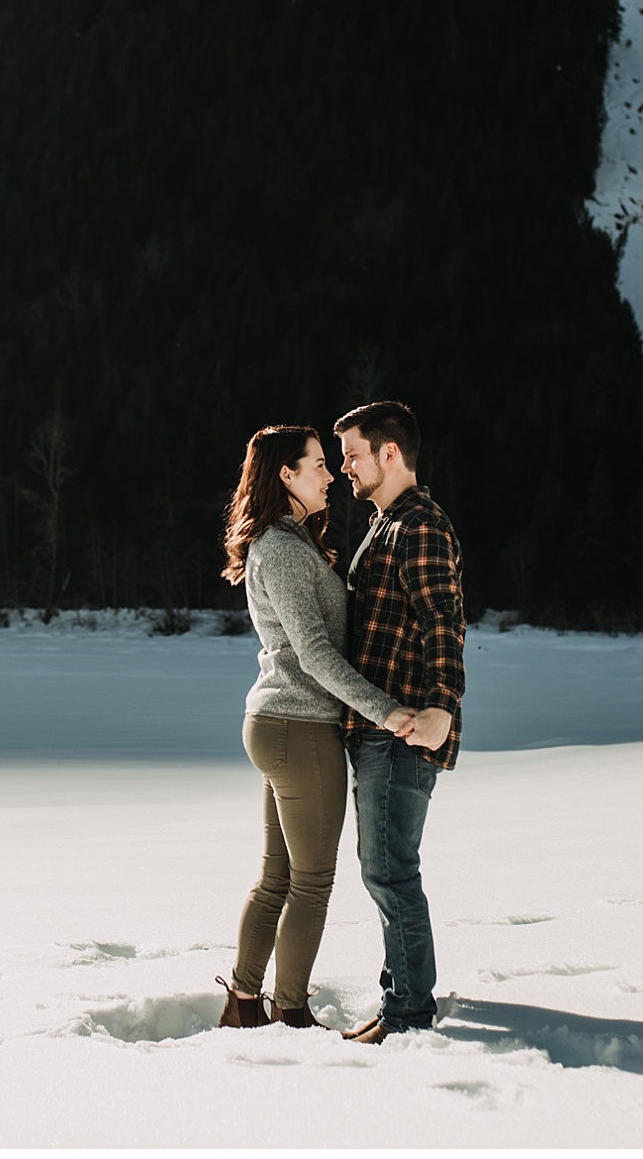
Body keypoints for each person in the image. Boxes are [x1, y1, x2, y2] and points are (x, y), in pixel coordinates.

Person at [214, 424, 411, 1030]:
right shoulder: (281, 549)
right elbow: (316, 655)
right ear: (287, 475)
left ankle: (245, 1005)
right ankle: (290, 1011)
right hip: (299, 727)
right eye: (319, 464)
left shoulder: (285, 543)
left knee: (278, 876)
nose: (331, 475)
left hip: (279, 724)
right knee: (312, 882)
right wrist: (387, 710)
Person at [332, 400, 464, 1045]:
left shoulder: (419, 526)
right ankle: (402, 993)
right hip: (381, 726)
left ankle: (410, 1012)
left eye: (353, 454)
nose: (344, 467)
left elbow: (444, 618)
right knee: (385, 866)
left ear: (391, 453)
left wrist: (442, 706)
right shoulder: (386, 523)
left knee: (389, 870)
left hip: (406, 727)